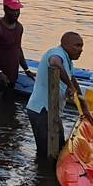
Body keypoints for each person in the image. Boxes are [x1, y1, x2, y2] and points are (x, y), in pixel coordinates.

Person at [25, 33, 84, 161]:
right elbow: (55, 63)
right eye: (77, 45)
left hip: (53, 112)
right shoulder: (57, 53)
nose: (81, 50)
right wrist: (70, 86)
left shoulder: (69, 62)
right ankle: (42, 176)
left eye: (82, 46)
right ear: (65, 45)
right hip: (41, 110)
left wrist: (84, 107)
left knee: (58, 149)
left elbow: (73, 80)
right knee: (46, 153)